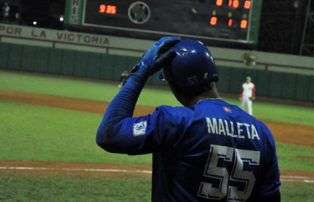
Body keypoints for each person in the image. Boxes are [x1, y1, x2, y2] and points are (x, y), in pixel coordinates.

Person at [96, 37, 280, 202]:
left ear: (176, 83)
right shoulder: (262, 133)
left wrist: (139, 74)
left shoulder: (175, 121)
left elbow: (109, 134)